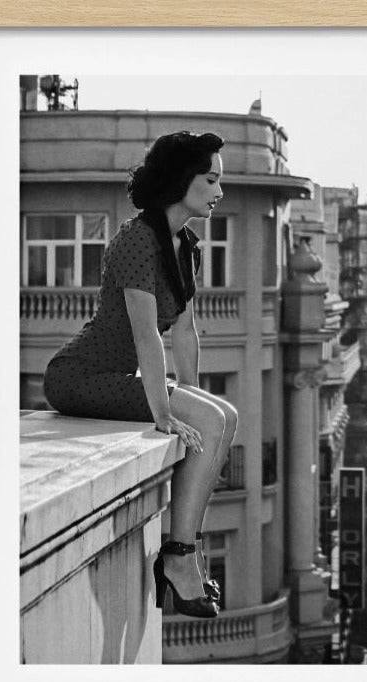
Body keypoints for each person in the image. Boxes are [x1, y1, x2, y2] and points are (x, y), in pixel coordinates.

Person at [43, 131, 236, 619]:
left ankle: (184, 550)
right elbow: (147, 334)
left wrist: (193, 396)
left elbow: (185, 332)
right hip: (79, 376)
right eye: (210, 180)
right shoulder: (137, 240)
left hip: (119, 378)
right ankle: (180, 559)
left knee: (224, 416)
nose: (219, 192)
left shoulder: (185, 245)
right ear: (180, 180)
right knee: (210, 420)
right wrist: (166, 412)